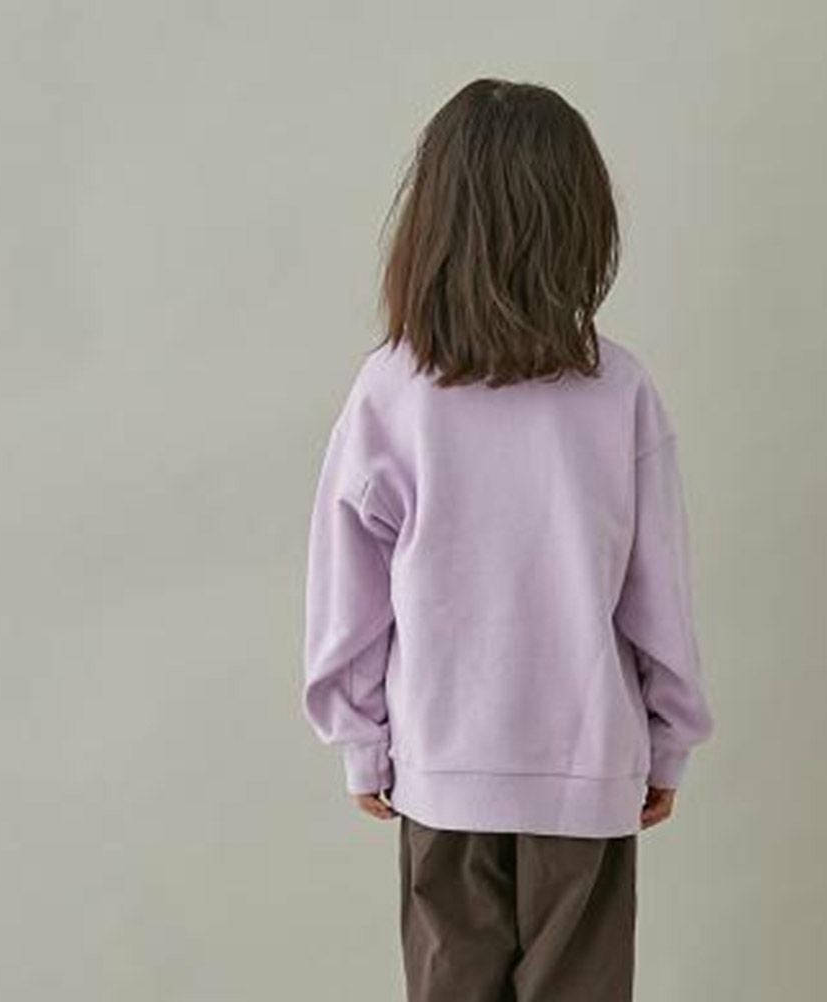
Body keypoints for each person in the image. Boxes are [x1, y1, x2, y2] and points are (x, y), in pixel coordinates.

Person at [301, 77, 714, 1002]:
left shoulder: (392, 392)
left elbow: (347, 592)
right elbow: (659, 594)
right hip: (587, 767)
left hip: (442, 769)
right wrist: (668, 738)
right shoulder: (620, 391)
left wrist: (361, 738)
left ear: (434, 226)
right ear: (580, 225)